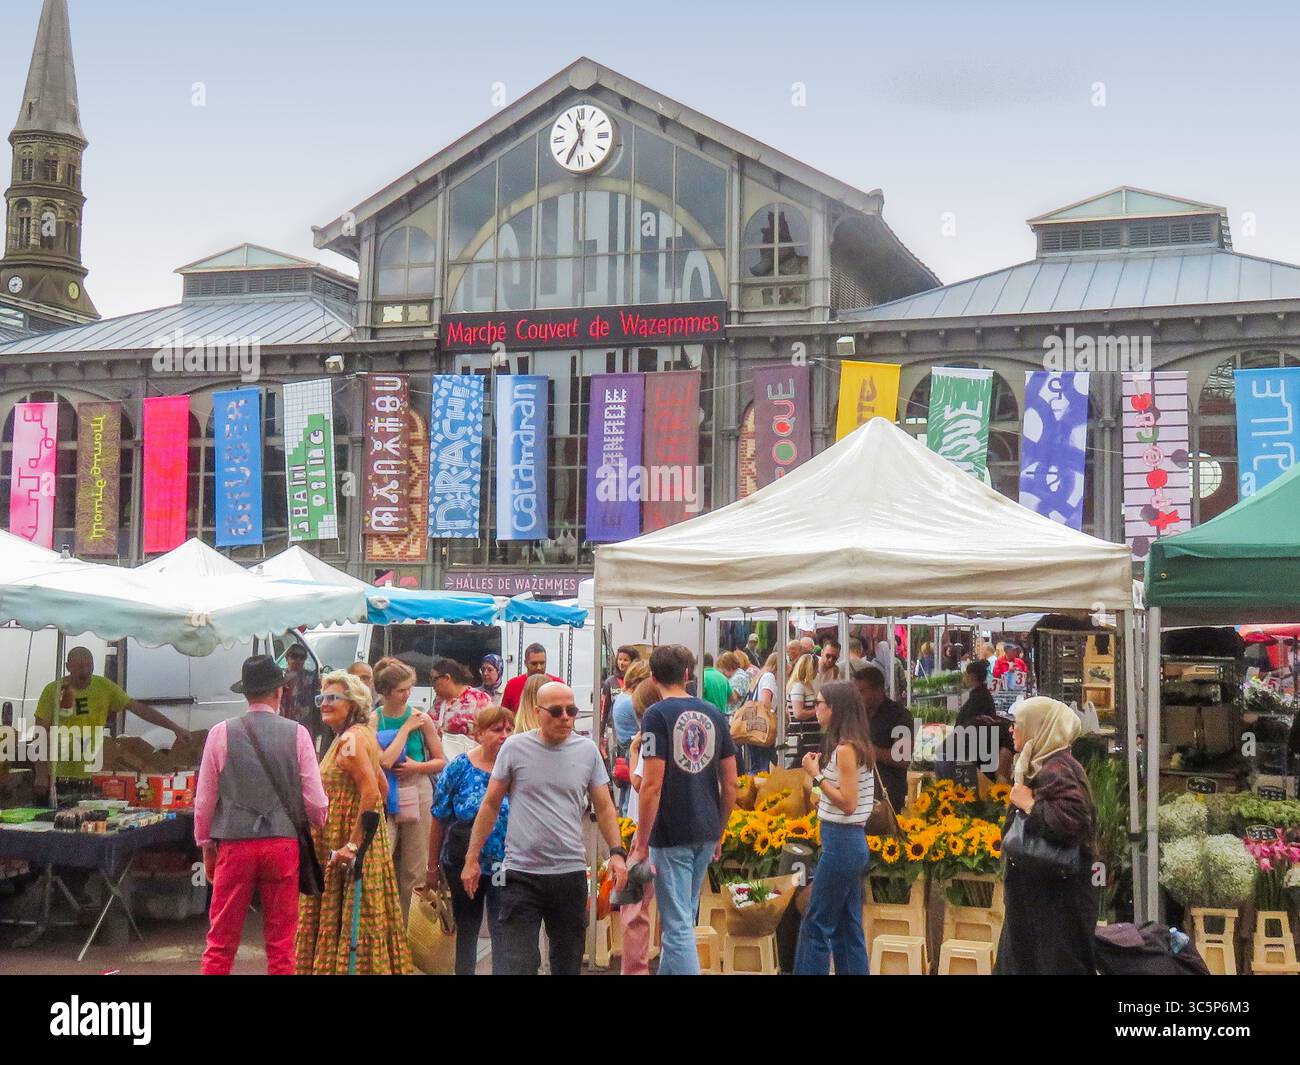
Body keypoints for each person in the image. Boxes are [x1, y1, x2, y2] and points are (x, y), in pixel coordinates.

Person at [461, 681, 627, 975]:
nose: (565, 717)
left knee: (567, 962)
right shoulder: (515, 747)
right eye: (556, 711)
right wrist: (472, 858)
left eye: (571, 710)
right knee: (518, 963)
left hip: (569, 873)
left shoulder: (587, 751)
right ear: (538, 712)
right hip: (520, 874)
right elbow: (490, 804)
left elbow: (603, 805)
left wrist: (617, 852)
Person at [195, 655, 327, 976]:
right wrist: (317, 823)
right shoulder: (298, 734)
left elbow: (205, 800)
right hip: (282, 844)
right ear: (280, 691)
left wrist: (206, 844)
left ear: (246, 694)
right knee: (282, 941)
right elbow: (316, 802)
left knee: (221, 939)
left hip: (234, 844)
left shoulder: (220, 733)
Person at [296, 670, 412, 975]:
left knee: (350, 921)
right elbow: (382, 788)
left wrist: (352, 843)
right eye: (322, 697)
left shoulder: (350, 740)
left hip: (346, 841)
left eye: (334, 698)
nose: (325, 703)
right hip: (353, 837)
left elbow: (372, 794)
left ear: (353, 704)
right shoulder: (359, 735)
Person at [631, 645, 738, 976]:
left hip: (671, 829)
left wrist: (641, 840)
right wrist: (719, 830)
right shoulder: (715, 714)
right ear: (688, 675)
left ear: (652, 677)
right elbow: (731, 783)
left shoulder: (656, 716)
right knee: (684, 917)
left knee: (676, 927)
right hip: (706, 826)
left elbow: (651, 784)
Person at [997, 697, 1097, 975]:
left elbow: (1074, 821)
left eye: (1017, 724)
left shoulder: (1058, 769)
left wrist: (1029, 804)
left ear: (1038, 727)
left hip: (1055, 901)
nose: (1011, 730)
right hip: (1040, 896)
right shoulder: (1041, 764)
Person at [794, 680, 874, 975]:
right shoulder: (855, 746)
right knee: (846, 924)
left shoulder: (845, 750)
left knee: (816, 923)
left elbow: (849, 803)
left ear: (835, 709)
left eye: (819, 704)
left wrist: (816, 776)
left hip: (842, 843)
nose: (815, 710)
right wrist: (823, 799)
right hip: (847, 840)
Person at [426, 705, 514, 975]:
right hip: (462, 863)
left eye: (509, 730)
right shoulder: (460, 767)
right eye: (497, 730)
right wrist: (432, 869)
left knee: (503, 929)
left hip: (503, 864)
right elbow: (438, 817)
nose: (504, 735)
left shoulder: (515, 767)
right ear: (478, 734)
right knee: (467, 929)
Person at [34, 646, 190, 789]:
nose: (86, 671)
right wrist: (41, 774)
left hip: (95, 772)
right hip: (59, 774)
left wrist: (174, 727)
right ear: (68, 667)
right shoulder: (53, 691)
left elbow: (138, 709)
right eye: (80, 667)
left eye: (89, 666)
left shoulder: (104, 687)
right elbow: (40, 734)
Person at [372, 658, 446, 919]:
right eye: (401, 690)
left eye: (409, 688)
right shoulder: (375, 719)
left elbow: (440, 761)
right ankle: (386, 927)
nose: (408, 694)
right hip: (387, 792)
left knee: (415, 868)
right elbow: (383, 761)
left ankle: (409, 931)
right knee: (382, 861)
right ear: (386, 692)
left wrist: (417, 766)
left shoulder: (422, 718)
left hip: (418, 789)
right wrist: (405, 729)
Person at [620, 677, 662, 975]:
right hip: (678, 829)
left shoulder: (648, 735)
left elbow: (640, 783)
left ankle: (635, 970)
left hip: (646, 830)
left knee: (634, 907)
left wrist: (633, 752)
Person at [851, 661, 912, 812]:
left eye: (861, 692)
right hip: (857, 792)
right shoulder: (856, 714)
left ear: (878, 690)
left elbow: (903, 758)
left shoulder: (900, 715)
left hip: (888, 795)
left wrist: (870, 751)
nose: (857, 697)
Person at [611, 660, 652, 813]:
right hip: (633, 750)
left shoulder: (622, 696)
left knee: (625, 798)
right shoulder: (632, 702)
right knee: (631, 799)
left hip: (624, 749)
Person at [430, 656, 492, 736]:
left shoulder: (480, 700)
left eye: (434, 679)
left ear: (447, 678)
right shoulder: (439, 700)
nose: (432, 685)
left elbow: (491, 733)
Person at [743, 652, 781, 776]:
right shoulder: (769, 677)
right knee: (764, 767)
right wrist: (772, 715)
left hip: (753, 727)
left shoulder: (760, 675)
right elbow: (765, 701)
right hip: (763, 728)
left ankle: (751, 791)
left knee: (756, 766)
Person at [500, 643, 560, 712]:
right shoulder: (513, 685)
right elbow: (505, 715)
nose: (539, 667)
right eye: (534, 663)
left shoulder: (557, 684)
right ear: (525, 663)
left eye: (542, 663)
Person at [786, 652, 822, 762]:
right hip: (802, 736)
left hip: (810, 734)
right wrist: (817, 710)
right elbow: (798, 713)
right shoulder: (798, 687)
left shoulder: (806, 685)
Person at [601, 645, 640, 731]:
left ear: (633, 662)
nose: (621, 663)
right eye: (619, 659)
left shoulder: (639, 681)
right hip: (615, 729)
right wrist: (601, 732)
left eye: (625, 660)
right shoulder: (610, 682)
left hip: (636, 729)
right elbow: (603, 711)